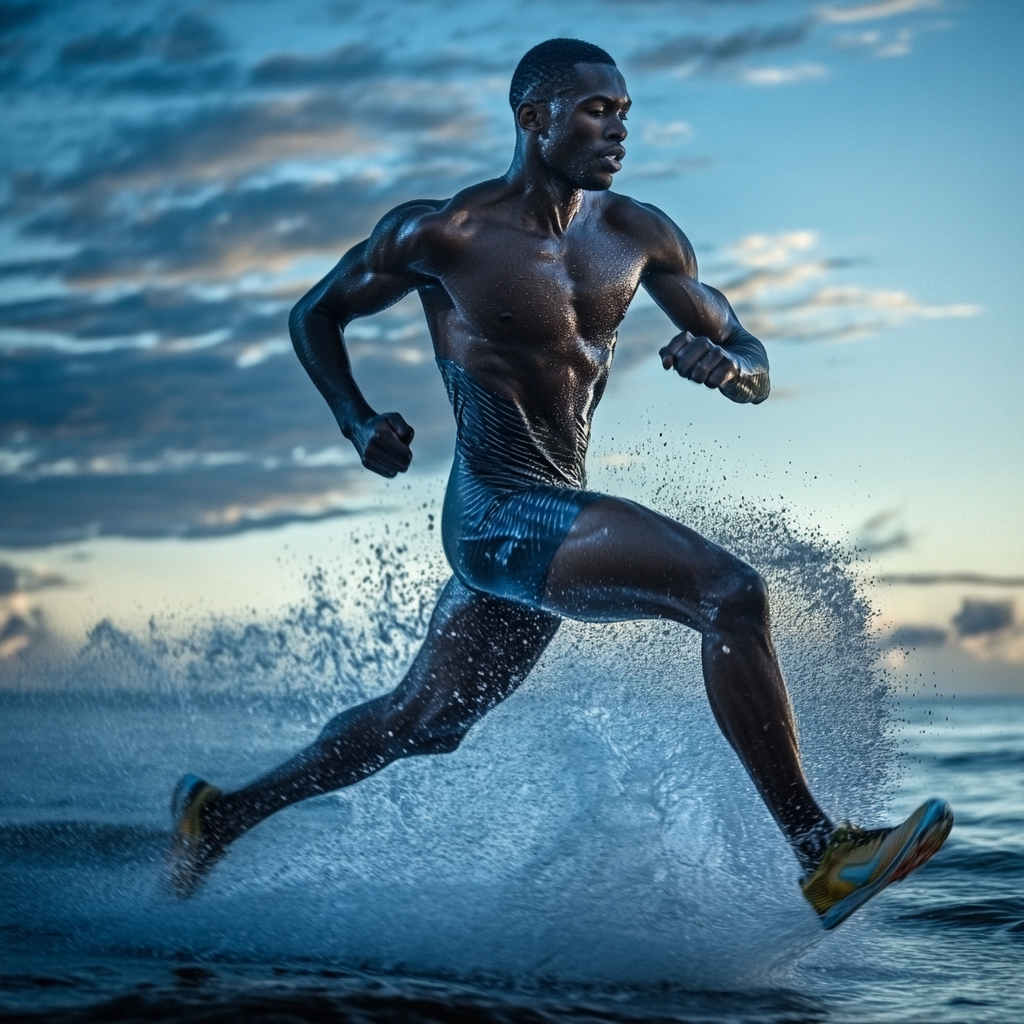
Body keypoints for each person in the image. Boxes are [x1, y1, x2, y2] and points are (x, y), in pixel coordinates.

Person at [167, 38, 951, 929]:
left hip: (552, 515)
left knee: (424, 723)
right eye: (595, 110)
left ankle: (218, 816)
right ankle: (823, 853)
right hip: (496, 513)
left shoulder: (639, 236)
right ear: (533, 118)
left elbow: (753, 354)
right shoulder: (444, 232)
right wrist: (355, 419)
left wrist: (727, 368)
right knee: (729, 593)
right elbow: (317, 314)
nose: (617, 129)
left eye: (624, 113)